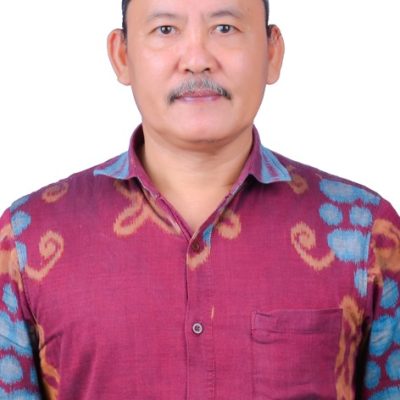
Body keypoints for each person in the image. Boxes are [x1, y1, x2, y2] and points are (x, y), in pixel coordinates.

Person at [0, 0, 399, 398]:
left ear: (272, 52)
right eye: (165, 29)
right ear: (122, 56)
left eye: (225, 28)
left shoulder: (365, 232)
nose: (197, 61)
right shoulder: (26, 238)